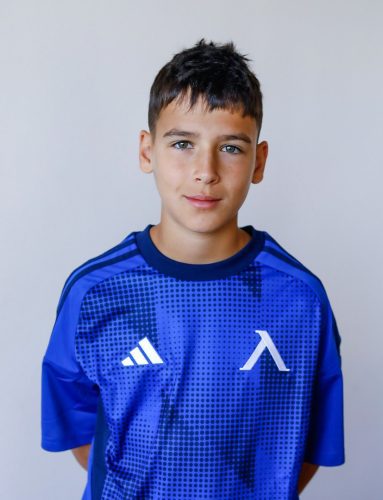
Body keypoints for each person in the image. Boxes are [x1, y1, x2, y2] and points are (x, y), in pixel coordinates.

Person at [41, 38, 345, 499]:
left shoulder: (300, 298)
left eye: (231, 148)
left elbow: (308, 445)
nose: (206, 171)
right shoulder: (95, 292)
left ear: (259, 161)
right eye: (183, 143)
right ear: (147, 152)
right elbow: (84, 434)